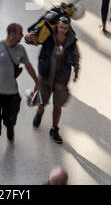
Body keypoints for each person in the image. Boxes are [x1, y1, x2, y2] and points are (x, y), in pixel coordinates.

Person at [0, 23, 41, 155]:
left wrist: (37, 81)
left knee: (11, 115)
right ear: (12, 34)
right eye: (20, 33)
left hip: (11, 92)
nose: (22, 35)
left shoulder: (21, 50)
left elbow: (28, 66)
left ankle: (10, 126)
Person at [33, 17, 80, 145]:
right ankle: (39, 112)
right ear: (57, 25)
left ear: (69, 27)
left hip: (61, 78)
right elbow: (34, 40)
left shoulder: (72, 40)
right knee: (42, 101)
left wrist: (76, 70)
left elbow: (76, 56)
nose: (63, 30)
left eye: (65, 28)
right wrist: (28, 37)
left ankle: (54, 128)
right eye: (61, 27)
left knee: (57, 105)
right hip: (46, 75)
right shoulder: (48, 35)